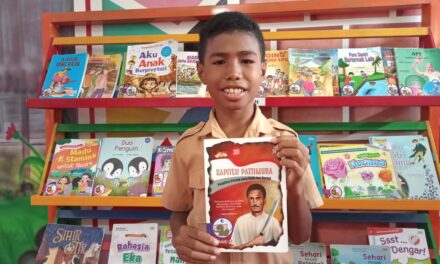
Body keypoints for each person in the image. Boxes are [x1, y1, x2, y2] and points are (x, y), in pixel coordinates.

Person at [161, 11, 323, 263]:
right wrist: (181, 235)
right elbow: (178, 214)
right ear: (201, 72)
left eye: (246, 61)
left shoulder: (285, 141)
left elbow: (301, 237)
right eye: (219, 62)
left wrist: (294, 187)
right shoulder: (188, 145)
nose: (234, 72)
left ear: (263, 70)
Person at [231, 184, 282, 250]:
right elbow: (232, 248)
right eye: (251, 198)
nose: (254, 203)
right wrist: (252, 243)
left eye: (258, 198)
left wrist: (265, 245)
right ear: (248, 200)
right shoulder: (240, 221)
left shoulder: (273, 221)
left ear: (264, 200)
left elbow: (281, 245)